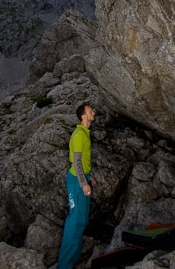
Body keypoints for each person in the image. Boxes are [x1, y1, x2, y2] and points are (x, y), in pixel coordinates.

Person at [58, 103, 96, 269]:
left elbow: (83, 162)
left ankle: (73, 259)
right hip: (76, 181)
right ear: (83, 116)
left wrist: (88, 177)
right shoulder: (79, 134)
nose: (93, 112)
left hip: (82, 178)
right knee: (75, 221)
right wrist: (83, 183)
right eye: (90, 111)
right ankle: (65, 265)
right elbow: (76, 161)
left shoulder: (85, 133)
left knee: (82, 220)